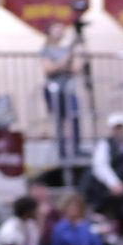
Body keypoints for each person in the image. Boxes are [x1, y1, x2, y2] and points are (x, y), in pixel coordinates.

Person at [40, 21, 82, 164]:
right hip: (54, 91)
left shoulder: (66, 50)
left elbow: (76, 68)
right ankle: (62, 151)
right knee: (59, 122)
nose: (60, 32)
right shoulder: (46, 50)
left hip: (69, 90)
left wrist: (60, 65)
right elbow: (49, 69)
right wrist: (64, 63)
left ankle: (76, 149)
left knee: (75, 118)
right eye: (56, 29)